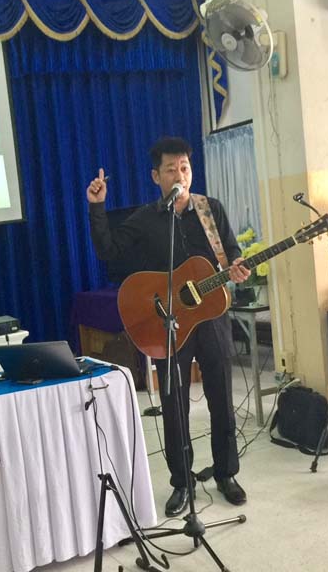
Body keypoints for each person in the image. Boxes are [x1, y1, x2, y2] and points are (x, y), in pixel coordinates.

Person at [85, 136, 250, 517]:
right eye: (172, 169)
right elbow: (110, 252)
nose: (180, 175)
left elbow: (231, 250)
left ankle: (226, 473)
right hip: (169, 322)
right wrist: (97, 208)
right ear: (156, 176)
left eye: (185, 168)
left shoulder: (210, 209)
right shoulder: (146, 219)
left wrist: (237, 265)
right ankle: (181, 481)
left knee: (222, 398)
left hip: (212, 317)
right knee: (174, 404)